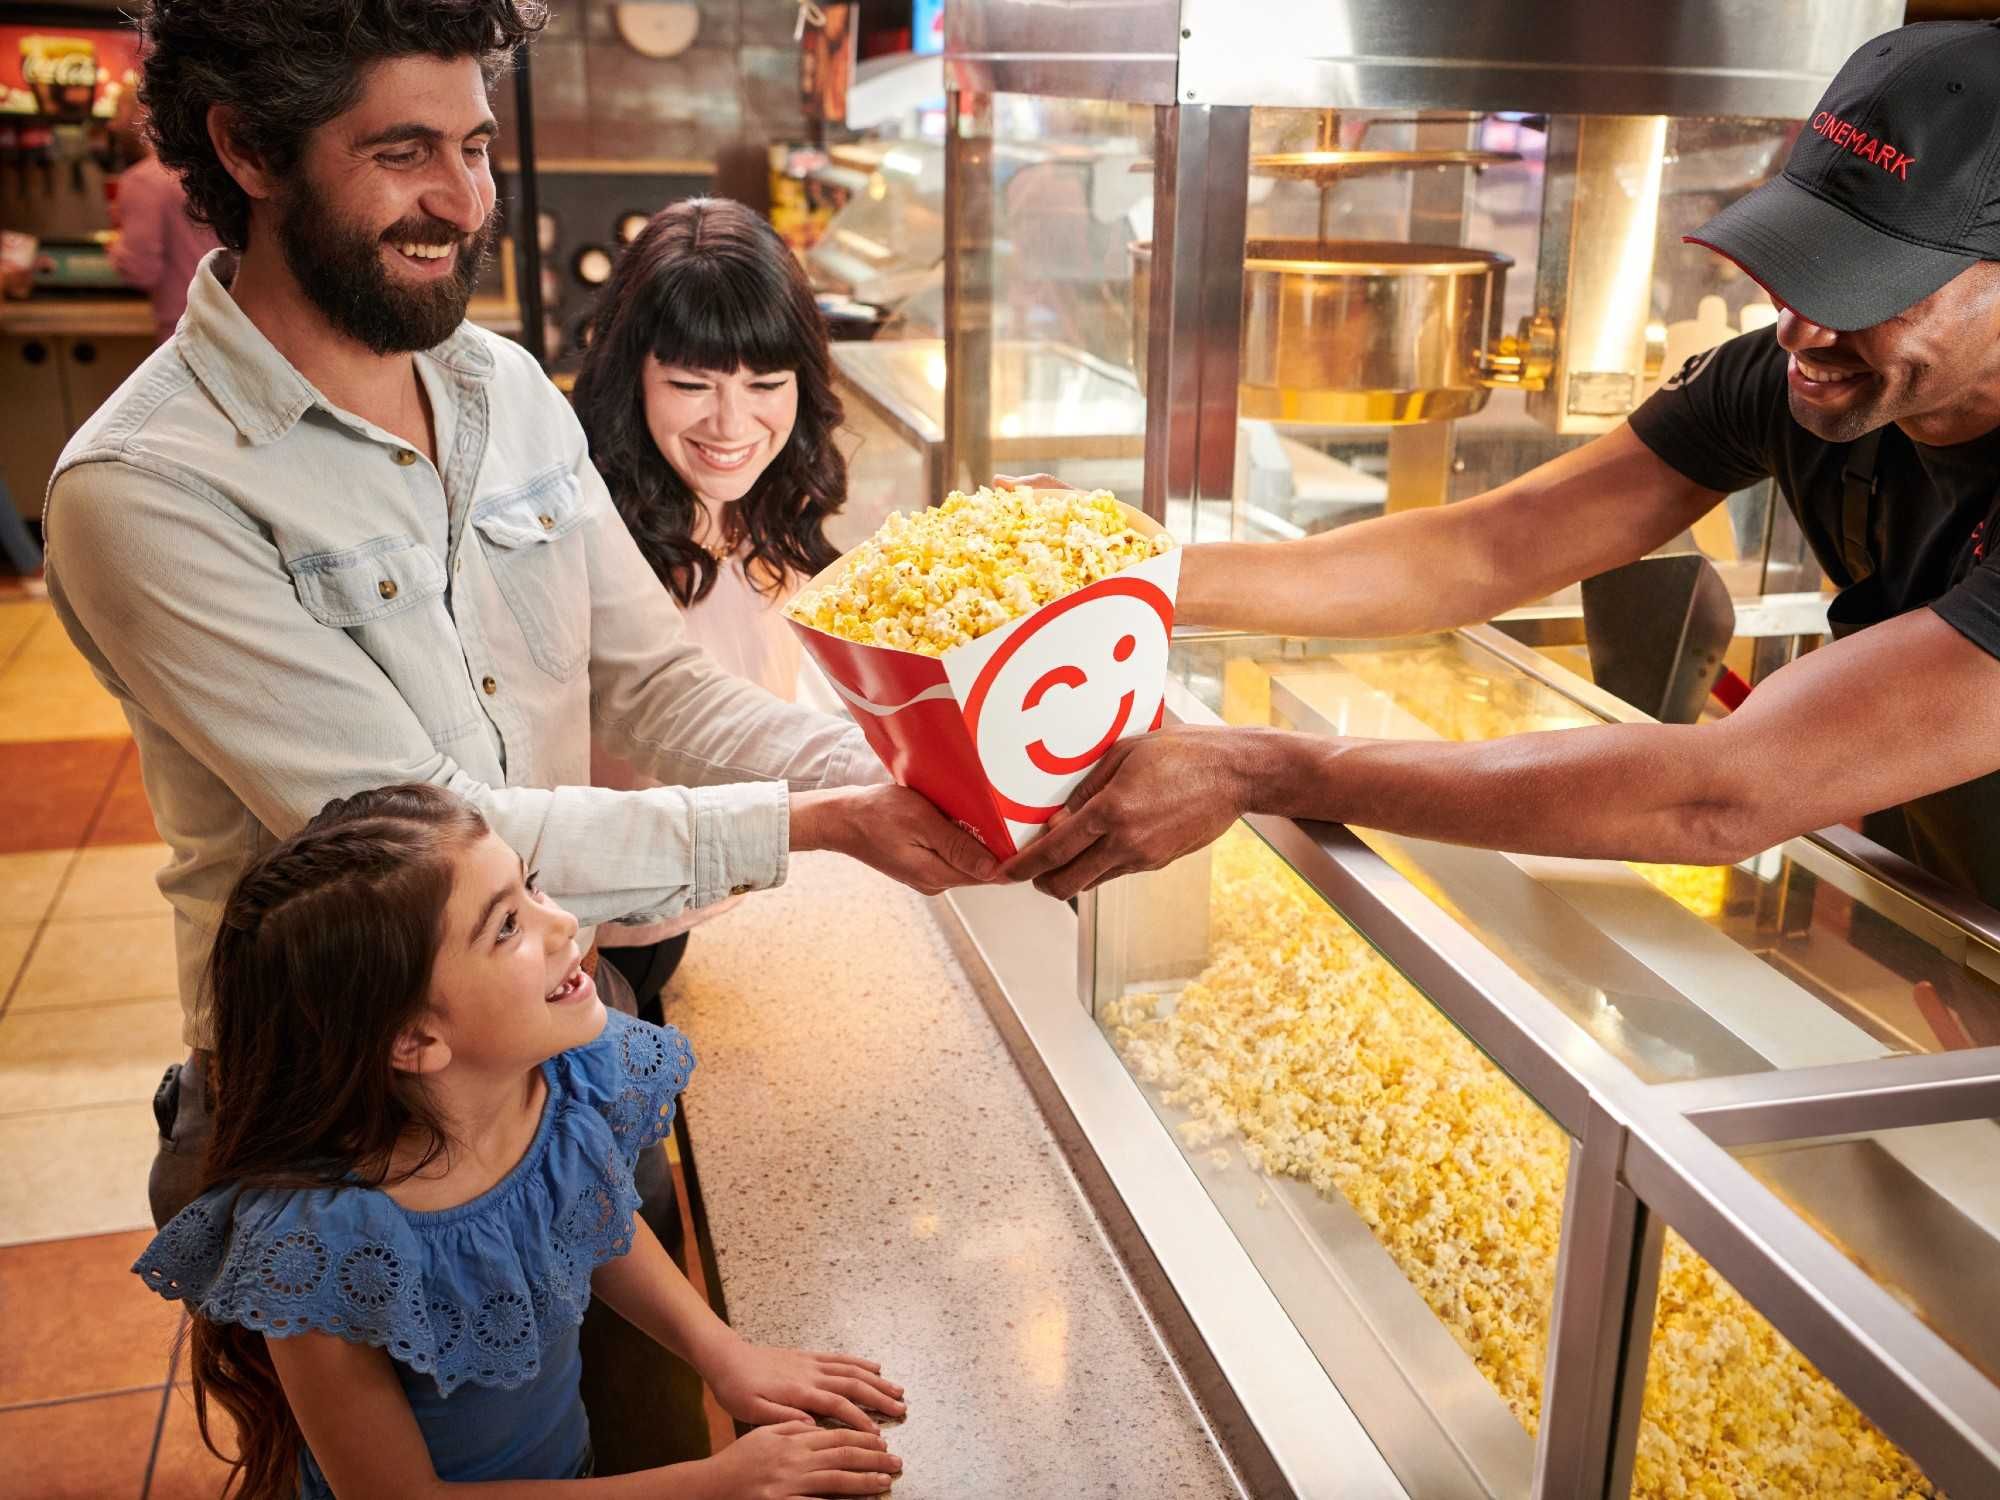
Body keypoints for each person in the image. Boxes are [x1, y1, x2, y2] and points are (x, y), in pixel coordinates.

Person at [39, 0, 995, 1233]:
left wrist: (915, 766)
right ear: (248, 149)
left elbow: (653, 684)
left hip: (547, 1040)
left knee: (635, 1351)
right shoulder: (147, 489)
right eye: (403, 152)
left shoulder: (501, 389)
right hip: (341, 1120)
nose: (462, 200)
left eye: (475, 146)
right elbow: (436, 843)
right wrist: (823, 822)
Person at [1004, 18, 2000, 915]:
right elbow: (1493, 545)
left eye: (1870, 285)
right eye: (1799, 259)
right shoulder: (1792, 377)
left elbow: (1719, 796)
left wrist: (1260, 770)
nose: (1800, 327)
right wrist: (1124, 579)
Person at [135, 785, 908, 1498]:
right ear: (414, 1038)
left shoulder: (556, 1083)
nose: (562, 923)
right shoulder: (318, 1243)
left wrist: (722, 1353)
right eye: (508, 926)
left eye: (531, 888)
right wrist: (714, 1483)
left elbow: (592, 1218)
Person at [569, 196, 844, 1019]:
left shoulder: (768, 503)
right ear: (633, 377)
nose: (731, 424)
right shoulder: (587, 529)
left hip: (699, 889)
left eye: (766, 384)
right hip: (595, 924)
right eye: (691, 384)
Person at [105, 86, 221, 343]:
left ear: (143, 113)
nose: (112, 124)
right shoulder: (214, 170)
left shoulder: (142, 181)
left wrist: (115, 247)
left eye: (118, 111)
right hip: (232, 319)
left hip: (184, 328)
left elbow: (141, 270)